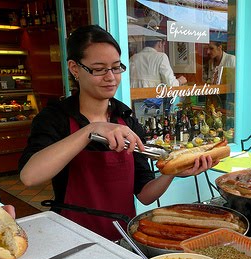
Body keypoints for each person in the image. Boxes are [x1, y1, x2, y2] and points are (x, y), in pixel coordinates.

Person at [19, 25, 214, 240]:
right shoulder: (55, 118)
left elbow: (145, 194)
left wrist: (172, 171)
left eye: (116, 67)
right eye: (99, 69)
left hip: (123, 239)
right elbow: (30, 176)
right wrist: (91, 130)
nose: (111, 77)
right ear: (75, 68)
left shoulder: (126, 118)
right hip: (74, 240)